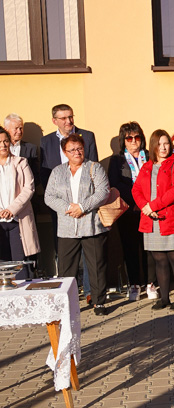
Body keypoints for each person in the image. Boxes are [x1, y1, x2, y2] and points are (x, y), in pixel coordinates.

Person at [44, 134, 111, 315]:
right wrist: (68, 208)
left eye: (79, 148)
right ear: (65, 152)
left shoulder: (94, 168)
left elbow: (103, 192)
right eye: (72, 149)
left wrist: (82, 207)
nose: (77, 152)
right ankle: (67, 304)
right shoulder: (57, 171)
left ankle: (99, 302)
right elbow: (48, 196)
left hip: (91, 224)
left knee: (96, 265)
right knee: (66, 268)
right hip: (67, 227)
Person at [132, 130, 174, 311]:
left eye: (166, 143)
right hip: (151, 219)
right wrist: (145, 207)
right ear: (153, 146)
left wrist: (153, 206)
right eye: (159, 144)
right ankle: (164, 298)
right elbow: (136, 190)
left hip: (172, 218)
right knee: (159, 259)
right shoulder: (147, 166)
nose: (163, 147)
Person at [108, 122, 149, 301]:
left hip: (150, 209)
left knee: (149, 248)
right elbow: (115, 183)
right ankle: (134, 284)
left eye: (137, 137)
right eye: (129, 138)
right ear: (123, 140)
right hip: (129, 210)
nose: (134, 141)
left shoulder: (149, 156)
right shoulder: (117, 160)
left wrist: (147, 203)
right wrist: (135, 202)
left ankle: (151, 283)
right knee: (131, 248)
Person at [0, 128, 40, 278]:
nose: (3, 145)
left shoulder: (21, 162)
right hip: (0, 221)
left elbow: (29, 188)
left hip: (18, 219)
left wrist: (12, 209)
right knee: (2, 263)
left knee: (20, 263)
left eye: (5, 141)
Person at [4, 114, 39, 189]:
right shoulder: (1, 148)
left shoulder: (31, 148)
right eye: (16, 128)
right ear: (6, 129)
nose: (19, 131)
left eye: (21, 128)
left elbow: (36, 174)